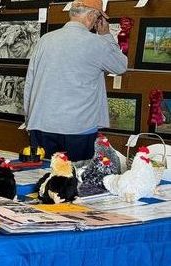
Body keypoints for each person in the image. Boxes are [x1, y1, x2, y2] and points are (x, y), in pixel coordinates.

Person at [24, 0, 127, 161]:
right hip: (78, 129)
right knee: (76, 180)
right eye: (98, 17)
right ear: (92, 15)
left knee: (43, 178)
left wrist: (30, 120)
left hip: (42, 124)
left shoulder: (45, 40)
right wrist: (106, 35)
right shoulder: (97, 43)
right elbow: (121, 66)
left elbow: (30, 83)